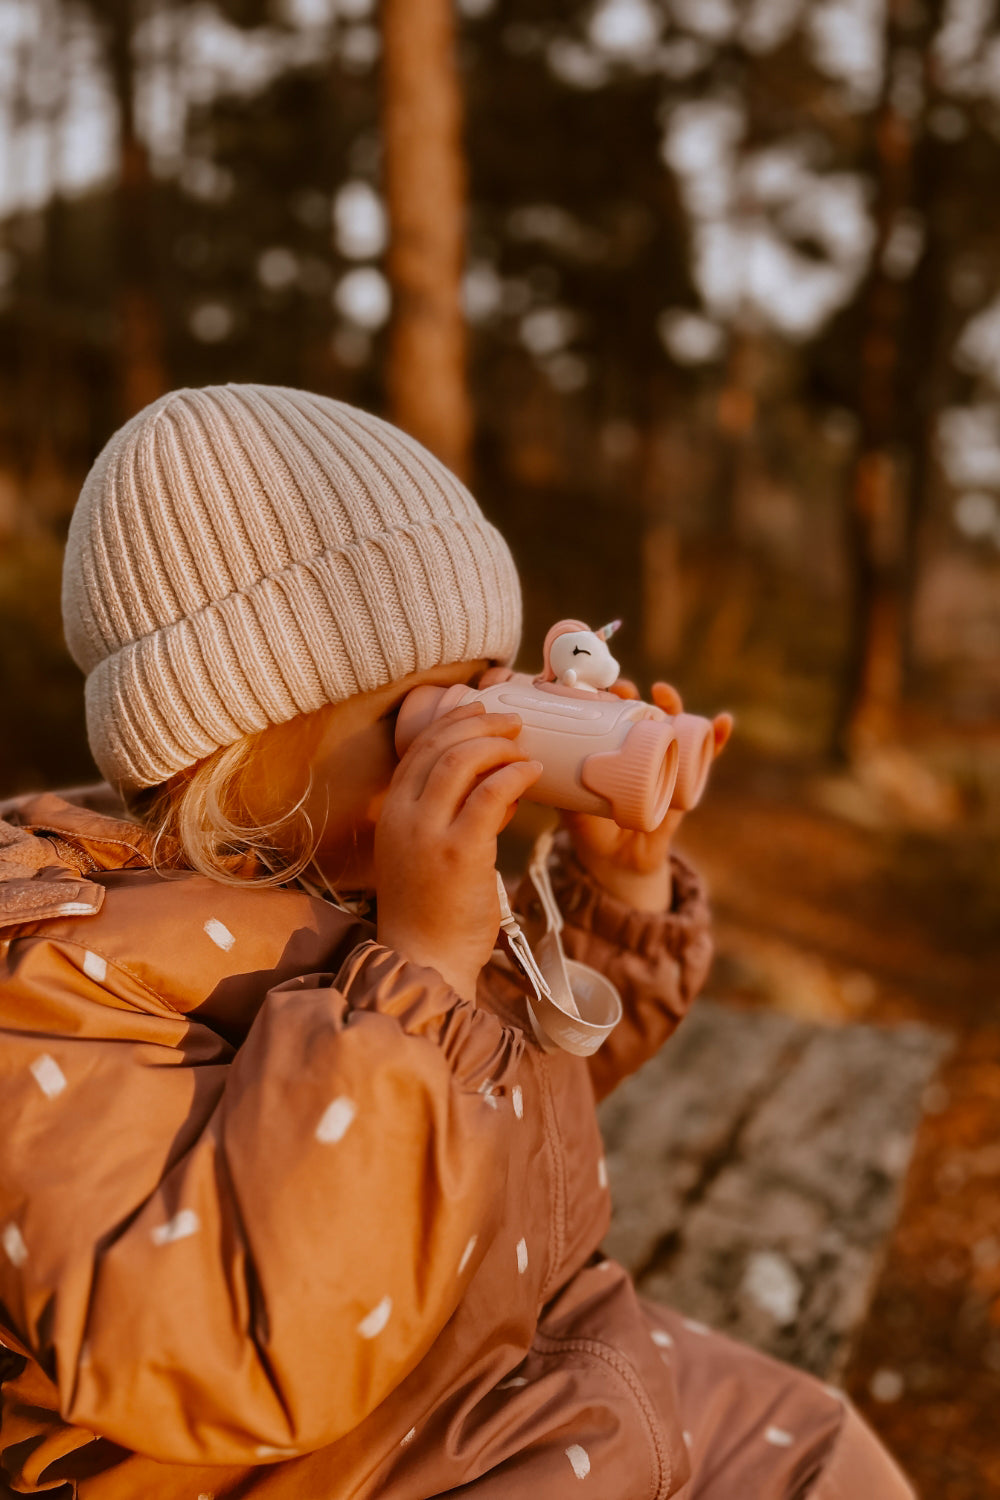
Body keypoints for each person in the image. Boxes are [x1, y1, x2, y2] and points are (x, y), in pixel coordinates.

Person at [0, 385, 913, 1498]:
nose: (474, 734)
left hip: (512, 1363)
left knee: (812, 1445)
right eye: (419, 713)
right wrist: (421, 978)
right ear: (223, 746)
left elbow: (510, 1101)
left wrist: (613, 884)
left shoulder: (337, 876)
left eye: (488, 688)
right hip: (358, 1464)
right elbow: (221, 1344)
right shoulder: (65, 976)